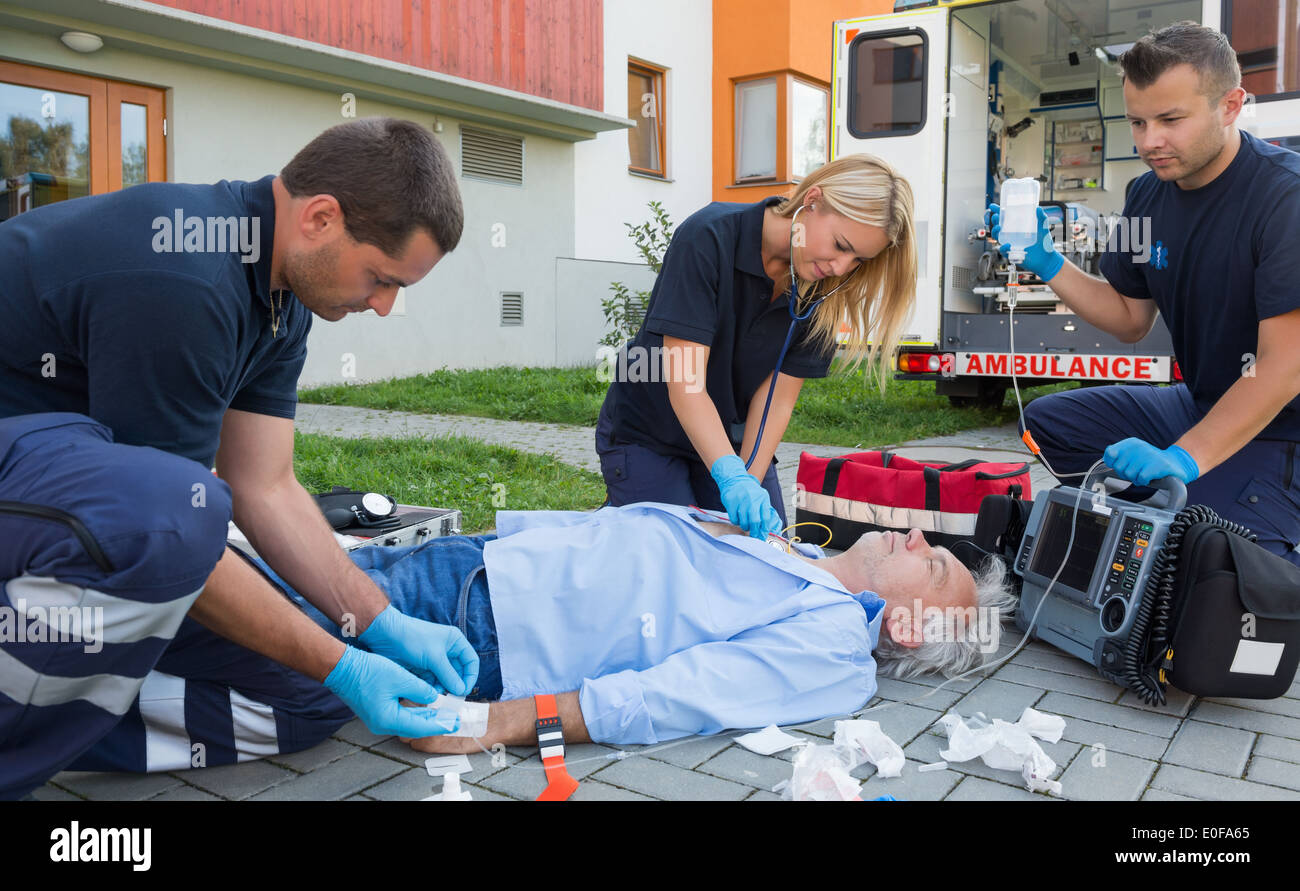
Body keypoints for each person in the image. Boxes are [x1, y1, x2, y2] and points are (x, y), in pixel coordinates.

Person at [0, 118, 478, 802]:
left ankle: (68, 707)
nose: (382, 305)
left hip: (61, 516)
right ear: (320, 217)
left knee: (311, 696)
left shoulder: (283, 297)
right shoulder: (183, 280)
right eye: (380, 277)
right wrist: (345, 662)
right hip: (35, 503)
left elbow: (267, 486)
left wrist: (376, 626)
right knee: (177, 524)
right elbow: (174, 531)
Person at [236, 502, 1014, 752]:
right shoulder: (797, 549)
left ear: (910, 629)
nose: (918, 537)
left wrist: (501, 723)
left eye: (935, 562)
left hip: (485, 618)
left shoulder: (838, 645)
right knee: (237, 607)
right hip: (484, 566)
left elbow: (678, 694)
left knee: (215, 603)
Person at [989, 22, 1300, 566]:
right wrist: (1047, 261)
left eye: (1171, 120)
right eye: (1137, 120)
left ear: (1230, 106)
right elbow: (1131, 316)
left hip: (1285, 429)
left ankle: (1203, 517)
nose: (1149, 140)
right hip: (1200, 402)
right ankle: (1176, 514)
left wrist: (1183, 458)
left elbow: (1282, 368)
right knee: (1048, 424)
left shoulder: (1285, 199)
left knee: (1221, 568)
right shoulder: (1146, 195)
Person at [596, 156, 919, 539]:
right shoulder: (708, 237)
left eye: (857, 259)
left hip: (732, 439)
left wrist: (747, 480)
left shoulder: (820, 290)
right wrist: (730, 478)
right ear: (811, 200)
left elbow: (775, 402)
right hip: (650, 434)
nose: (841, 267)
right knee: (677, 552)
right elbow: (686, 383)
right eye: (840, 245)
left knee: (764, 551)